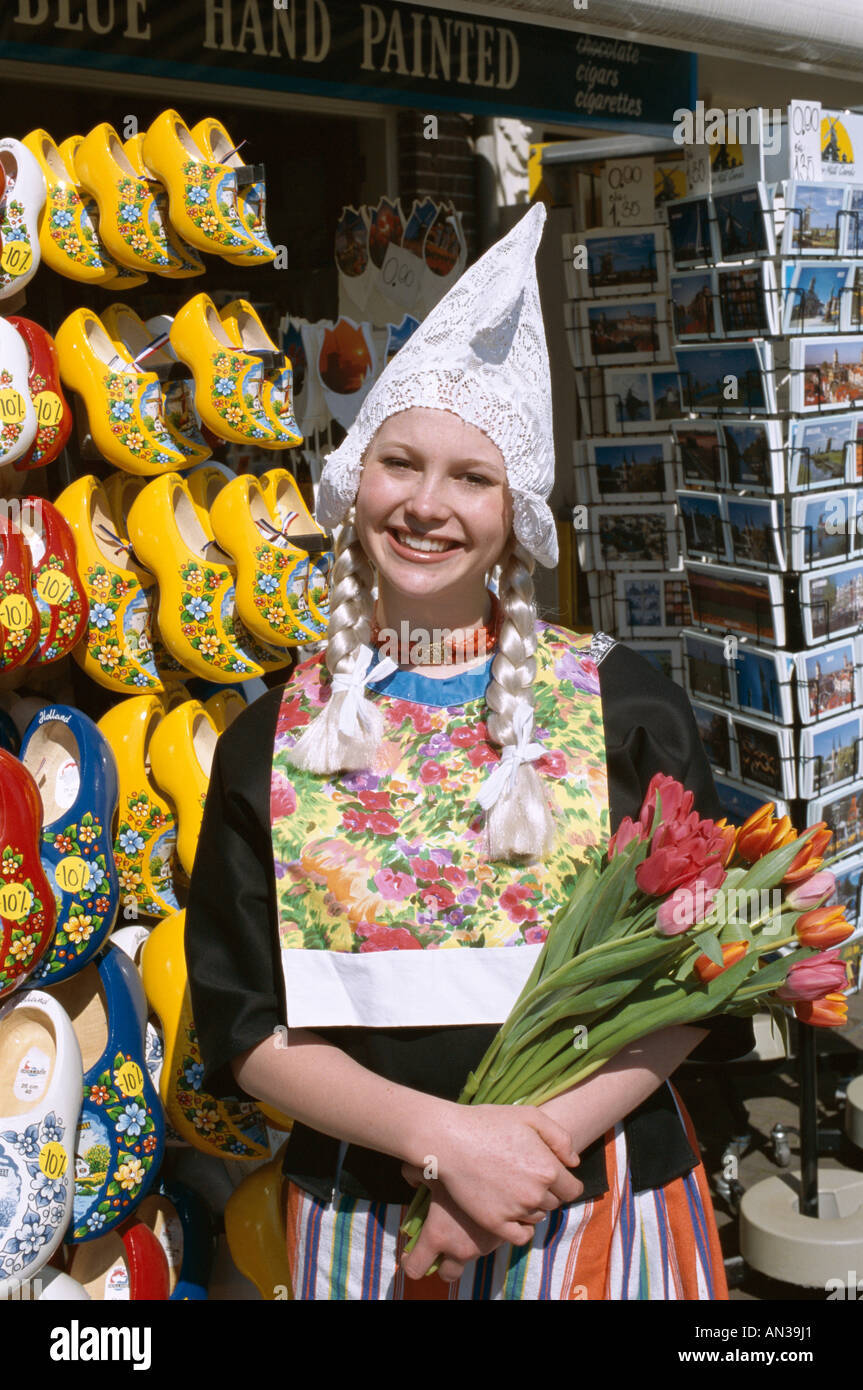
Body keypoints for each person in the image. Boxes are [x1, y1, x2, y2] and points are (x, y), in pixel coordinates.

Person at [185, 205, 753, 1300]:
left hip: (600, 1197)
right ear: (356, 486)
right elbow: (245, 1021)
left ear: (514, 513)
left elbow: (701, 968)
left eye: (469, 478)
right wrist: (445, 1144)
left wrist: (519, 1151)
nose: (427, 506)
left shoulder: (623, 706)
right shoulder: (271, 738)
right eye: (401, 463)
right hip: (365, 1213)